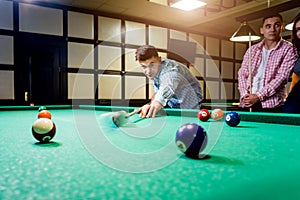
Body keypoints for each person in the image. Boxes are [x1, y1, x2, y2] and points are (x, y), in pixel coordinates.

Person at [238, 13, 298, 112]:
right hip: (247, 103)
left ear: (281, 27)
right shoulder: (252, 49)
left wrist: (258, 96)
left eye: (277, 25)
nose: (272, 29)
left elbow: (281, 78)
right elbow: (242, 74)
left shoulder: (289, 49)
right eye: (268, 26)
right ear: (262, 30)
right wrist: (245, 95)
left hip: (272, 105)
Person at [135, 45, 202, 118]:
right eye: (144, 66)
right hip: (174, 106)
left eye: (152, 64)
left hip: (190, 107)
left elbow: (167, 86)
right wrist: (151, 105)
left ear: (159, 60)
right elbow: (159, 91)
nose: (148, 71)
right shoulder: (156, 70)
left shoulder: (170, 69)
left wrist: (157, 102)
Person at [283, 13, 300, 114]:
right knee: (289, 111)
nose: (299, 33)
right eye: (297, 29)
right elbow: (296, 76)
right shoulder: (297, 51)